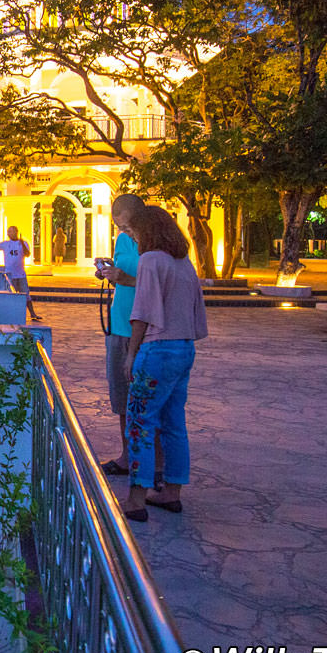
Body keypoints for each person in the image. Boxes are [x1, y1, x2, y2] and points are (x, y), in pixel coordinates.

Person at [119, 205, 208, 523]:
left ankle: (136, 499)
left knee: (140, 423)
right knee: (173, 423)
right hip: (183, 349)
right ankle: (172, 491)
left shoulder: (151, 260)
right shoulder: (184, 262)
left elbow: (142, 311)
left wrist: (131, 353)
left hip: (156, 351)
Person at [95, 194, 147, 479]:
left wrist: (126, 278)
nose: (124, 232)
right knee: (122, 398)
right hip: (119, 324)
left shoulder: (156, 243)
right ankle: (127, 456)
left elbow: (156, 281)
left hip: (146, 327)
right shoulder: (123, 240)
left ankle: (153, 464)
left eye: (127, 227)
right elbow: (123, 268)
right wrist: (108, 272)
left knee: (147, 399)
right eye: (119, 227)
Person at [0, 225, 43, 321]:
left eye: (11, 231)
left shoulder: (23, 243)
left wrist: (21, 243)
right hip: (10, 274)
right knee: (11, 294)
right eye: (8, 231)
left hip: (21, 274)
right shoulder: (5, 244)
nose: (9, 233)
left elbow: (27, 254)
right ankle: (11, 314)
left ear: (16, 232)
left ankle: (32, 313)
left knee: (26, 294)